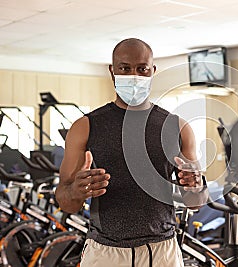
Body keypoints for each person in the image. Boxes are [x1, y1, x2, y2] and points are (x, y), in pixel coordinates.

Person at [55, 38, 209, 267]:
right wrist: (76, 191)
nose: (134, 75)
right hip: (107, 252)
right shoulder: (85, 127)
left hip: (162, 252)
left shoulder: (178, 127)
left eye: (142, 69)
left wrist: (196, 185)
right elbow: (66, 202)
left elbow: (196, 201)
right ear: (112, 71)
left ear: (152, 71)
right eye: (125, 68)